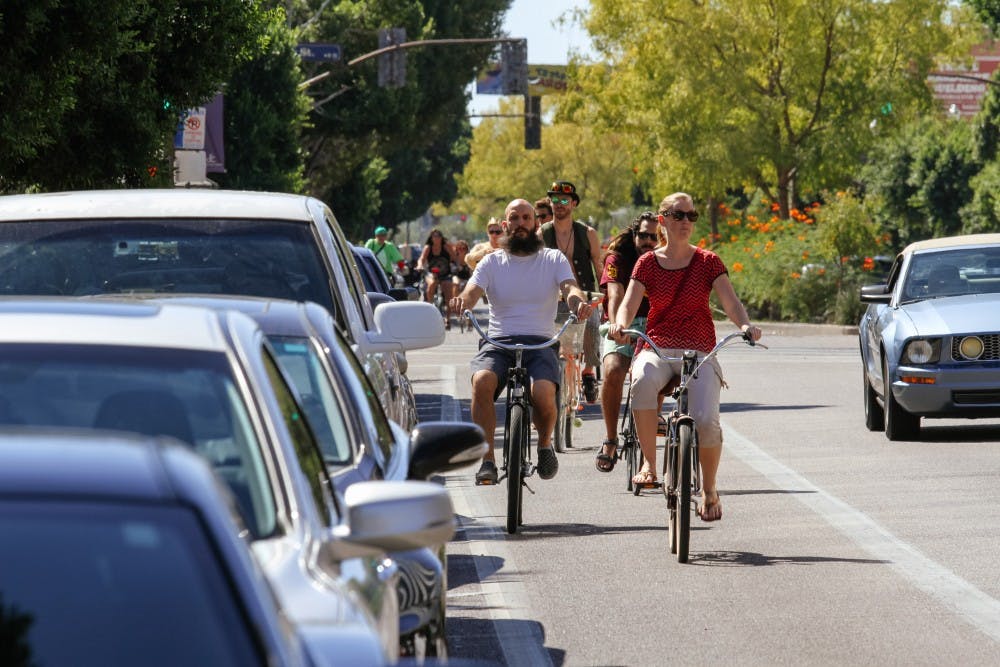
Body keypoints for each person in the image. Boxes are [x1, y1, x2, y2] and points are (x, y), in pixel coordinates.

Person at [608, 193, 762, 522]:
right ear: (662, 220)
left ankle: (708, 490)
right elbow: (630, 302)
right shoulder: (647, 263)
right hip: (658, 347)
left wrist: (745, 324)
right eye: (678, 215)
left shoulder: (708, 261)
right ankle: (649, 463)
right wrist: (620, 324)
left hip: (700, 352)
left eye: (691, 216)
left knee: (707, 422)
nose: (686, 222)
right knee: (642, 382)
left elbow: (731, 302)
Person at [450, 198, 594, 485]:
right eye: (514, 219)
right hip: (498, 342)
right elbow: (472, 291)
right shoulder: (492, 261)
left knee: (542, 393)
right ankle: (488, 459)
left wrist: (578, 303)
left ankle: (544, 445)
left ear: (536, 223)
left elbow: (570, 287)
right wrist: (462, 302)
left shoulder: (553, 259)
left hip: (540, 342)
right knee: (481, 382)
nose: (521, 224)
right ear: (505, 225)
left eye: (526, 218)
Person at [594, 211, 658, 472]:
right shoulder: (616, 258)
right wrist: (618, 324)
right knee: (613, 371)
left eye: (654, 237)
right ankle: (610, 439)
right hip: (621, 323)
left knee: (658, 377)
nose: (648, 241)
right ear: (634, 235)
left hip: (653, 326)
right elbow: (615, 292)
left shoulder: (664, 259)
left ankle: (648, 449)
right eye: (643, 235)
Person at [539, 180, 603, 403]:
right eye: (555, 200)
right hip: (553, 297)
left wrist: (605, 294)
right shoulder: (542, 235)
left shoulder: (588, 234)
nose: (559, 204)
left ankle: (588, 372)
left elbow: (599, 267)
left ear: (574, 203)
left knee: (593, 324)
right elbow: (534, 268)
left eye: (564, 200)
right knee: (546, 335)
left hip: (585, 296)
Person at [416, 228, 455, 328]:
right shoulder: (428, 248)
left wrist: (458, 264)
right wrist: (420, 265)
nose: (436, 238)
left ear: (442, 238)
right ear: (431, 238)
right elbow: (421, 259)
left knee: (449, 294)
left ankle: (448, 319)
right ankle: (430, 309)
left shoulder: (446, 246)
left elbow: (454, 257)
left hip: (445, 274)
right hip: (431, 273)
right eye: (434, 236)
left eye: (438, 236)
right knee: (432, 284)